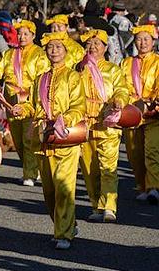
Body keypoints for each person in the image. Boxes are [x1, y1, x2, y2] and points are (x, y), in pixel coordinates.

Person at [9, 32, 86, 249]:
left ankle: (63, 234)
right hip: (43, 139)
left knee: (63, 186)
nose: (53, 51)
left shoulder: (73, 77)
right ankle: (68, 224)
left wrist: (64, 120)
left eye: (58, 47)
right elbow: (33, 106)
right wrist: (22, 109)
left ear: (66, 51)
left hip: (65, 139)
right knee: (49, 192)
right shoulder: (40, 78)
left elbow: (78, 107)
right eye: (50, 47)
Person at [0, 19, 51, 187]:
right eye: (20, 34)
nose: (22, 37)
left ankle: (30, 173)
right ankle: (31, 167)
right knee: (18, 139)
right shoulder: (9, 54)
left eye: (26, 34)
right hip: (11, 101)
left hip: (30, 100)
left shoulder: (39, 54)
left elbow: (42, 77)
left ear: (33, 35)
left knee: (29, 137)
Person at [77, 29, 129, 222]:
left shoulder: (113, 69)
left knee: (108, 166)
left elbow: (122, 90)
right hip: (85, 123)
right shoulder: (79, 68)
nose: (92, 47)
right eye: (89, 44)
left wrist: (118, 101)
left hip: (107, 122)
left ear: (105, 47)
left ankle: (108, 206)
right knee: (89, 168)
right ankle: (96, 206)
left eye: (97, 44)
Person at [122, 25, 159, 202]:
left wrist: (152, 103)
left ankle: (154, 187)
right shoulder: (126, 63)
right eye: (139, 39)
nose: (142, 43)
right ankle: (142, 186)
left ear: (153, 42)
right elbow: (121, 87)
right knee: (134, 154)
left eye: (146, 39)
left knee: (152, 150)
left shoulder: (158, 62)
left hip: (153, 114)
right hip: (132, 114)